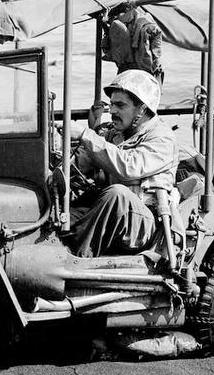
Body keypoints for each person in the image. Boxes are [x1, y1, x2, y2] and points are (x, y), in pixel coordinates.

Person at [61, 69, 179, 258]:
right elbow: (84, 161)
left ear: (141, 108)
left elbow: (128, 167)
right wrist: (58, 169)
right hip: (112, 216)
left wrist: (86, 135)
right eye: (111, 104)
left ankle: (76, 258)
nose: (112, 111)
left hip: (144, 224)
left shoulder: (163, 139)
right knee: (64, 210)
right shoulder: (113, 134)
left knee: (118, 195)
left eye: (120, 105)